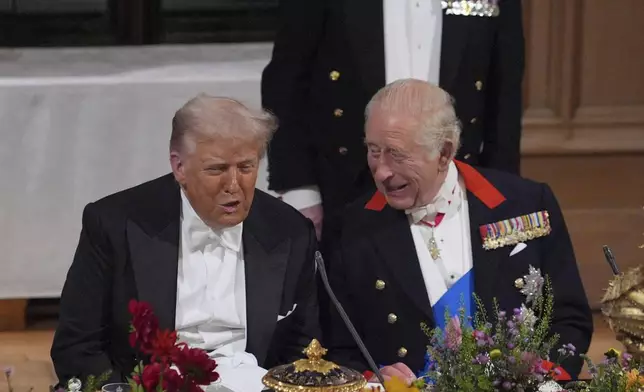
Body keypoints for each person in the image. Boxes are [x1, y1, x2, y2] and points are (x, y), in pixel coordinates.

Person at [321, 79, 592, 382]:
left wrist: (533, 377)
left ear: (445, 153)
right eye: (373, 150)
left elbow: (569, 319)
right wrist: (372, 379)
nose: (381, 171)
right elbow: (338, 348)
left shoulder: (525, 204)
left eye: (396, 154)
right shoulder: (351, 228)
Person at [51, 95, 321, 391]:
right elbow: (78, 347)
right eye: (217, 169)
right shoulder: (114, 225)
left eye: (246, 167)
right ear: (179, 167)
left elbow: (303, 350)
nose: (234, 185)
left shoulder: (290, 232)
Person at [261, 0, 525, 239]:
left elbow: (505, 92)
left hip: (456, 183)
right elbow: (286, 81)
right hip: (346, 187)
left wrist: (499, 191)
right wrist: (299, 189)